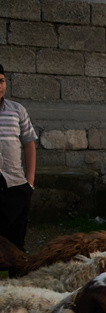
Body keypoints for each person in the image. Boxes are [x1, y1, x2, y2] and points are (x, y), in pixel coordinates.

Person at [0, 63, 38, 252]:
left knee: (15, 243)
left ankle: (16, 278)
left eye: (1, 81)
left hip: (15, 186)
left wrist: (29, 184)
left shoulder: (17, 111)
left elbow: (29, 145)